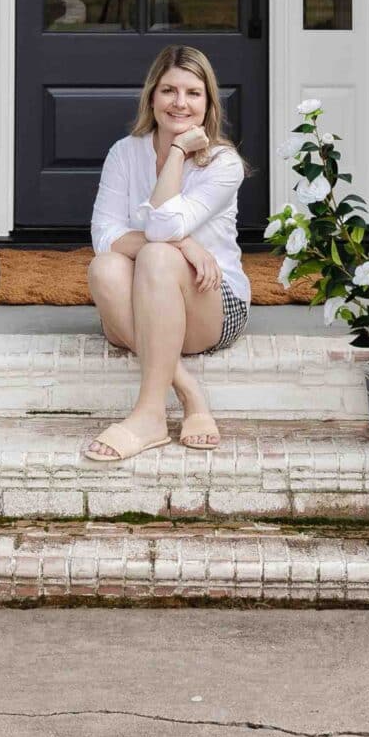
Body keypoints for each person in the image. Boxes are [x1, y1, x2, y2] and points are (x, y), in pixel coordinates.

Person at [83, 45, 250, 464]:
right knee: (104, 268)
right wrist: (185, 244)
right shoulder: (125, 152)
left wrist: (176, 153)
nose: (180, 103)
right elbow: (104, 235)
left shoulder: (223, 163)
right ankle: (189, 392)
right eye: (169, 90)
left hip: (213, 303)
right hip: (148, 302)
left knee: (156, 255)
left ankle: (148, 415)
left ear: (208, 103)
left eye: (193, 93)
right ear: (151, 97)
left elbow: (159, 229)